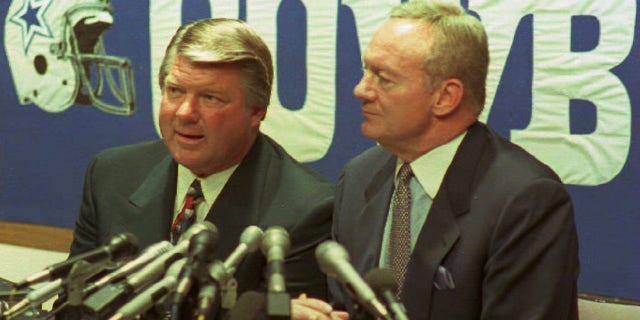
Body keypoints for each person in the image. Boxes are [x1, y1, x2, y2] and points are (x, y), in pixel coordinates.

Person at [295, 1, 579, 319]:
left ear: (445, 97)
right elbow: (346, 305)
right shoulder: (360, 177)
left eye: (383, 78)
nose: (361, 89)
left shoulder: (525, 201)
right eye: (366, 71)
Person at [68, 18, 333, 315]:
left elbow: (281, 314)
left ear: (256, 111)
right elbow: (73, 306)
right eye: (175, 91)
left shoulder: (305, 210)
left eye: (210, 98)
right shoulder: (111, 174)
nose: (185, 113)